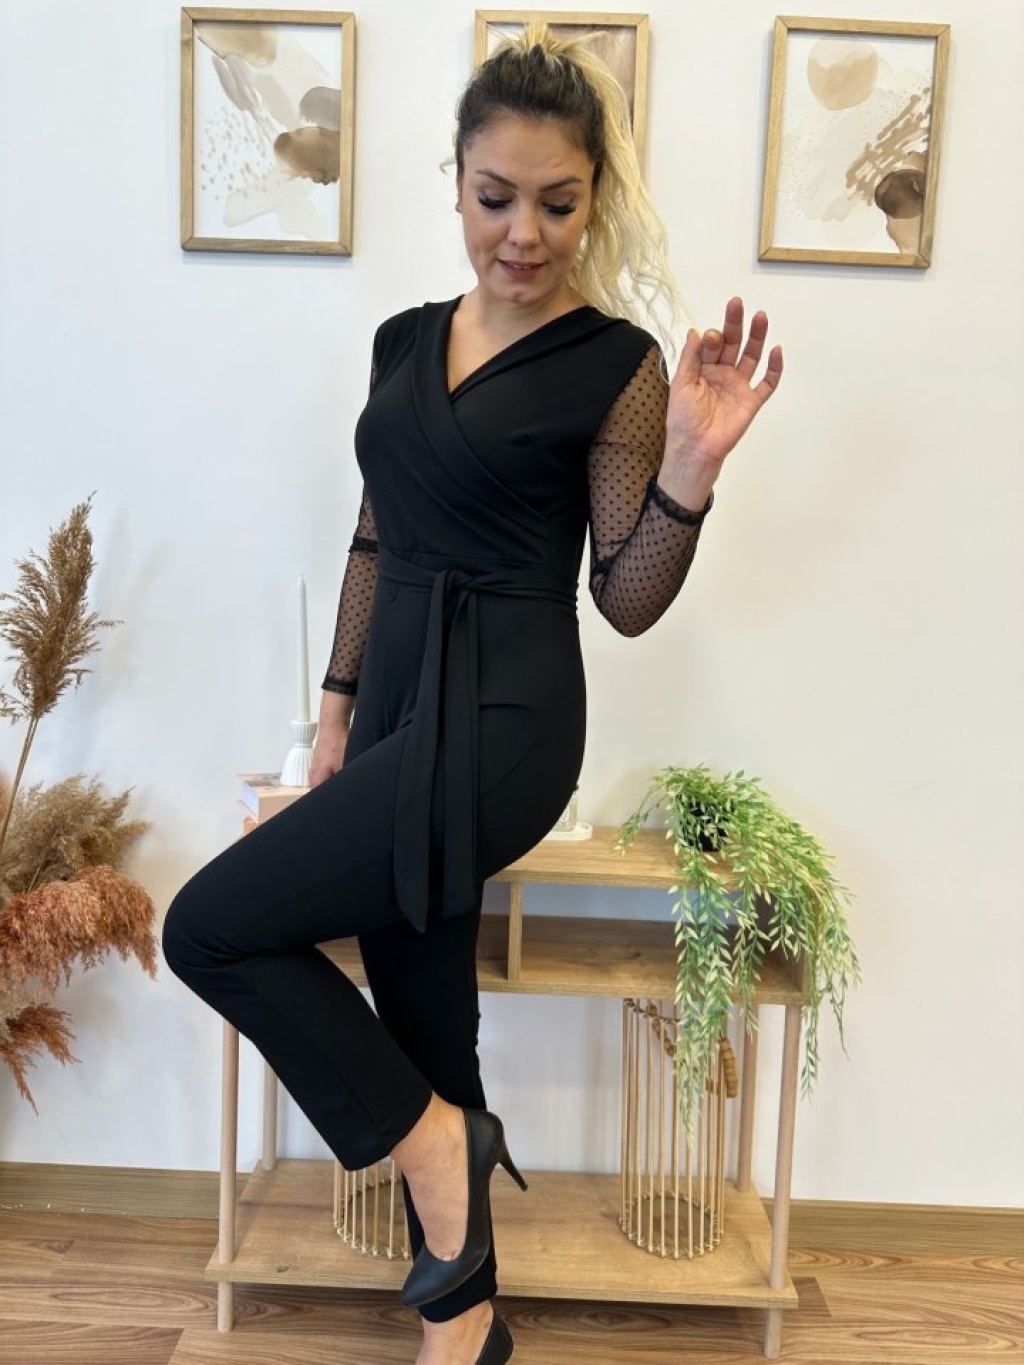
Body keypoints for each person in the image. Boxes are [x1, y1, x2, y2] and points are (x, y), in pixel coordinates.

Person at [163, 23, 782, 1365]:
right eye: (497, 197)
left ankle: (441, 1142)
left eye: (559, 203)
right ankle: (469, 1323)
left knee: (207, 927)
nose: (524, 232)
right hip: (393, 704)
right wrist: (334, 718)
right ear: (454, 182)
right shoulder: (400, 342)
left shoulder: (616, 362)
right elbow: (374, 534)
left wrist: (689, 471)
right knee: (425, 1000)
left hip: (507, 719)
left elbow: (624, 594)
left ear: (594, 202)